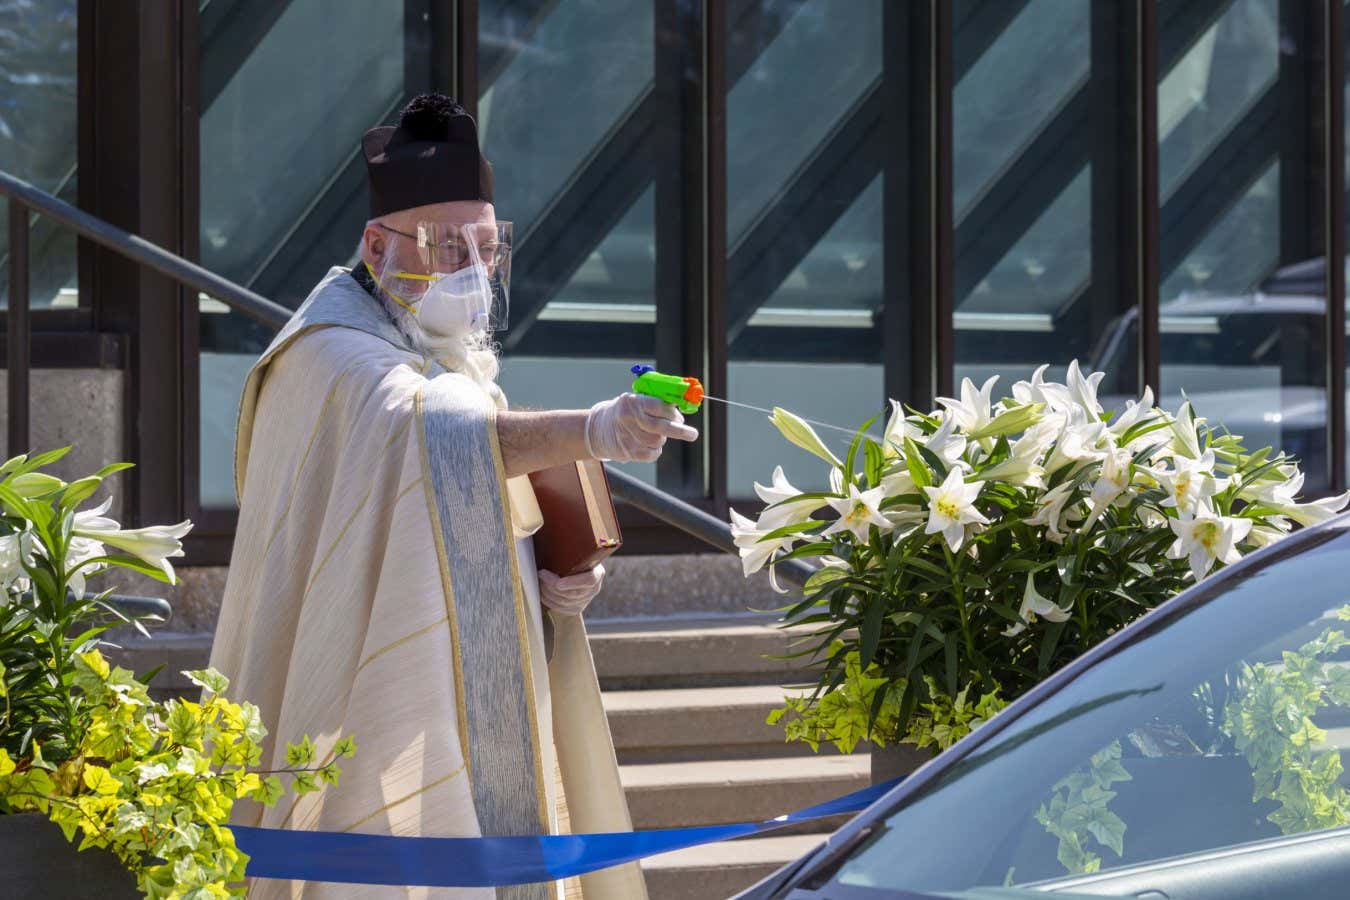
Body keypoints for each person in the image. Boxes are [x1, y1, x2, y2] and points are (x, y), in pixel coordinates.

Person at [207, 93, 697, 900]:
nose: (471, 269)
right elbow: (434, 434)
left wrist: (548, 578)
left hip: (469, 691)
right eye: (444, 245)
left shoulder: (443, 352)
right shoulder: (327, 354)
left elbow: (472, 493)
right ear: (376, 242)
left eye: (486, 245)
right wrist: (596, 428)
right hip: (369, 685)